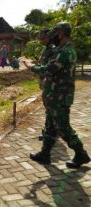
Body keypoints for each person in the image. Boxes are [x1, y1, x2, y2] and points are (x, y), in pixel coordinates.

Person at [24, 22, 90, 168]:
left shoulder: (65, 52)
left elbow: (49, 69)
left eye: (55, 33)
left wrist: (31, 67)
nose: (52, 37)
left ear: (61, 34)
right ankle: (45, 154)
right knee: (50, 126)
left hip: (60, 96)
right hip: (54, 95)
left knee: (63, 127)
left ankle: (81, 154)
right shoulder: (62, 49)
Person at [37, 29, 56, 141]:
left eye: (43, 38)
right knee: (48, 108)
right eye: (40, 38)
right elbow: (42, 64)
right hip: (45, 82)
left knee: (50, 109)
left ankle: (50, 132)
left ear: (49, 37)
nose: (41, 40)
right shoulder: (46, 49)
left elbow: (51, 68)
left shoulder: (53, 50)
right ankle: (50, 130)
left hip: (50, 84)